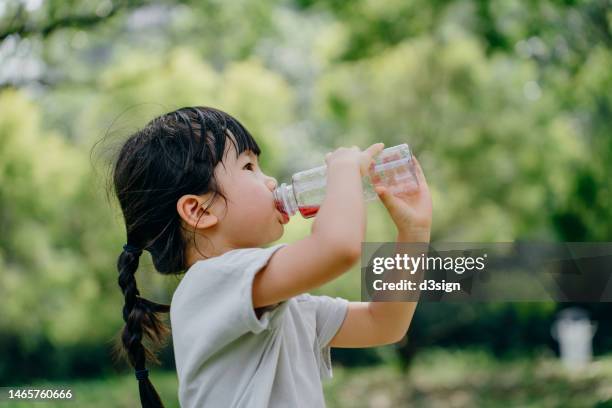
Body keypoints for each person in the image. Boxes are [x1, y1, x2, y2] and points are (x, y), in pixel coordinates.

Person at [109, 106, 432, 407]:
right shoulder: (207, 284)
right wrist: (344, 173)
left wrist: (414, 236)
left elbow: (384, 324)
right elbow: (338, 248)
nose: (271, 181)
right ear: (199, 210)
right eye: (249, 166)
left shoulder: (283, 303)